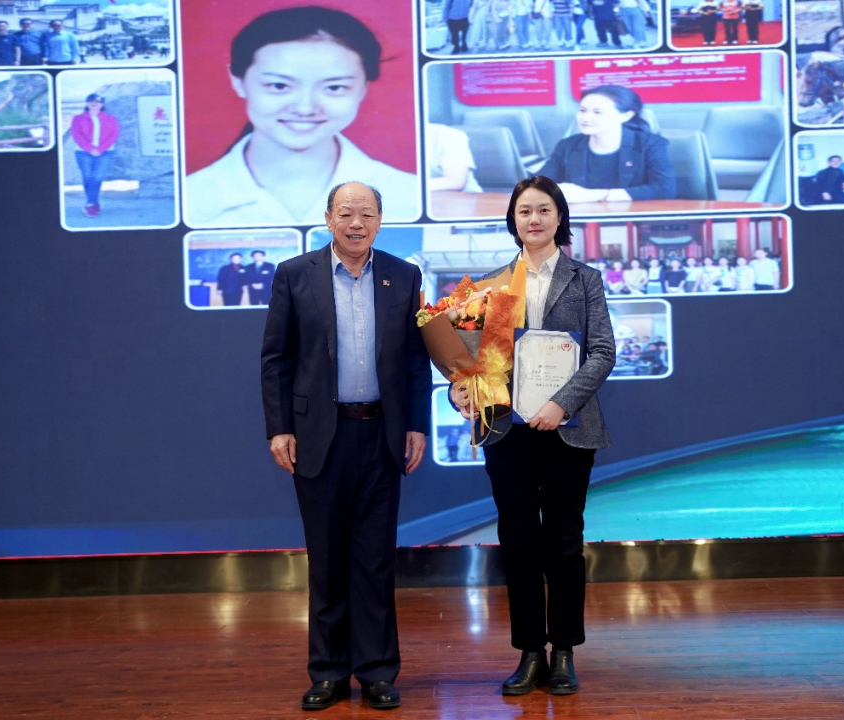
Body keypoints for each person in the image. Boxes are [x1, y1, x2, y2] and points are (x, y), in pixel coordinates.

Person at [261, 181, 431, 711]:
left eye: (367, 214)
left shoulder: (403, 275)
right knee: (328, 558)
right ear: (329, 218)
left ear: (380, 220)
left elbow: (415, 360)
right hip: (319, 436)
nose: (357, 223)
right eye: (346, 213)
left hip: (381, 433)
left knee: (375, 560)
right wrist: (279, 427)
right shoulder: (294, 275)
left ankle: (377, 670)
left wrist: (417, 424)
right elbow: (277, 359)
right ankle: (329, 672)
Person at [449, 175, 615, 698]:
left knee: (563, 541)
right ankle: (529, 653)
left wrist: (560, 402)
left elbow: (603, 352)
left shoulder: (586, 280)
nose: (534, 219)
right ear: (513, 221)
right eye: (525, 211)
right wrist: (461, 389)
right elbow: (470, 362)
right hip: (507, 430)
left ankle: (563, 651)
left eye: (544, 209)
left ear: (560, 217)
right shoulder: (490, 286)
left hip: (568, 429)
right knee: (518, 542)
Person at [185, 7, 419, 227]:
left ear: (363, 88)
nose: (305, 108)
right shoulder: (190, 199)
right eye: (279, 86)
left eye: (334, 88)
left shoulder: (410, 197)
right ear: (238, 81)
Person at [539, 84, 675, 205]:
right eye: (582, 110)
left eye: (598, 112)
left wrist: (596, 195)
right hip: (579, 219)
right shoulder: (568, 145)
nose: (585, 118)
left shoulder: (650, 144)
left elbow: (665, 189)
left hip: (631, 218)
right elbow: (537, 185)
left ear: (626, 116)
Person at [70, 93, 119, 217]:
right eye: (91, 101)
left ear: (102, 104)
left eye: (97, 102)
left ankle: (90, 203)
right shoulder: (78, 118)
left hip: (105, 152)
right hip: (83, 152)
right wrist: (90, 149)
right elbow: (76, 135)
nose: (94, 104)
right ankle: (94, 203)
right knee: (88, 177)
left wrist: (100, 149)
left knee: (97, 177)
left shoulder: (111, 119)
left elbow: (113, 135)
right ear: (87, 103)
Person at [425, 123, 483, 192]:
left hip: (463, 196)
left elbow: (456, 181)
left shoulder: (448, 135)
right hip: (419, 196)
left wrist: (414, 185)